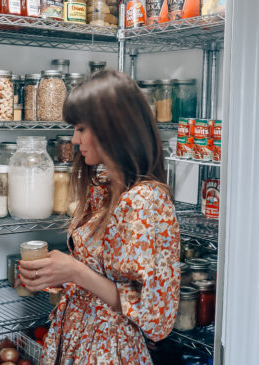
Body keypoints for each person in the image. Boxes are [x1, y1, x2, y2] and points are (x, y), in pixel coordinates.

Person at [18, 70, 180, 364]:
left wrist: (74, 271)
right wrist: (54, 276)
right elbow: (101, 275)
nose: (74, 138)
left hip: (109, 349)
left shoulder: (146, 200)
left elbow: (156, 316)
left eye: (80, 128)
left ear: (113, 129)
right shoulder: (103, 189)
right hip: (78, 338)